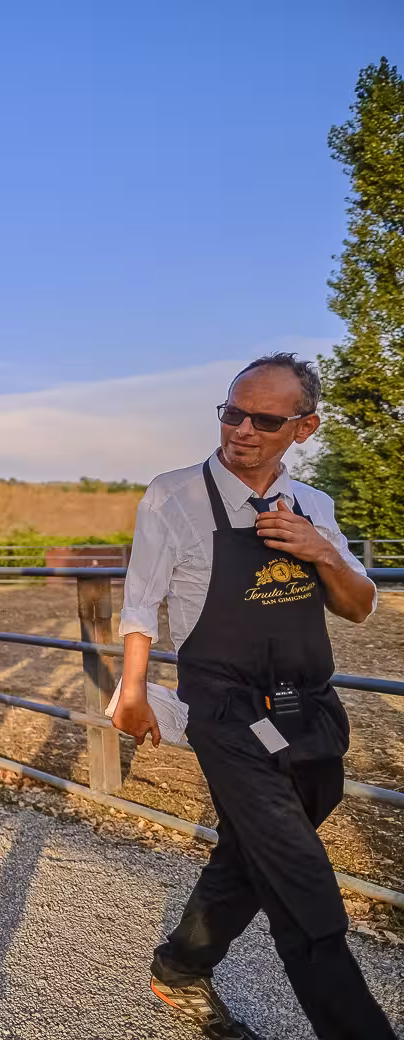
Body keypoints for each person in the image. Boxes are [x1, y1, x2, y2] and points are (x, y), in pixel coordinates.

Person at [111, 354, 395, 1040]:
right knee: (304, 886)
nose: (240, 430)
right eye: (231, 412)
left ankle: (180, 967)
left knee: (252, 851)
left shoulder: (315, 508)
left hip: (312, 712)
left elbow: (360, 607)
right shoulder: (173, 496)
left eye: (264, 420)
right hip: (224, 710)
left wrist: (321, 551)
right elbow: (141, 601)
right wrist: (132, 686)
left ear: (303, 428)